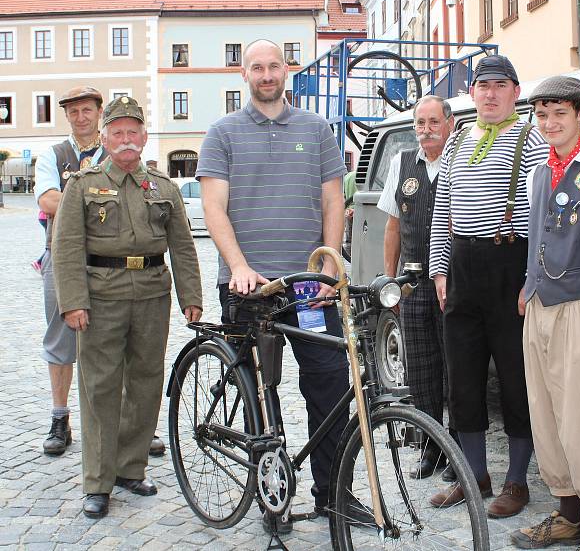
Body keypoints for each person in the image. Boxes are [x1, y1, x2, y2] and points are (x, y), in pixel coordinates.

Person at [197, 39, 354, 532]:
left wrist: (328, 267)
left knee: (330, 385)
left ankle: (334, 495)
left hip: (309, 286)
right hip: (249, 287)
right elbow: (214, 208)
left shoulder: (317, 129)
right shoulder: (222, 133)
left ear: (287, 70)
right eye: (256, 68)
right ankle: (273, 497)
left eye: (274, 66)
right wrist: (238, 266)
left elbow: (333, 203)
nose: (266, 74)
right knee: (259, 391)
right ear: (244, 75)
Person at [51, 96, 202, 519]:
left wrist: (192, 296)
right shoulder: (83, 185)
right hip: (100, 299)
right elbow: (66, 250)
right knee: (99, 387)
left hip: (153, 296)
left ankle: (130, 468)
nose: (126, 140)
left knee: (145, 382)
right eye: (117, 132)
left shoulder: (163, 187)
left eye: (133, 132)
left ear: (144, 137)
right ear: (104, 137)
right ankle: (97, 481)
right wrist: (73, 303)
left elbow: (183, 249)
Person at [428, 55, 549, 518]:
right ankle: (473, 475)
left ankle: (517, 481)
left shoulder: (532, 139)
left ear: (516, 92)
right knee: (462, 377)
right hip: (463, 268)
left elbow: (542, 218)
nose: (491, 93)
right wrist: (440, 272)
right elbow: (444, 210)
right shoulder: (457, 141)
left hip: (509, 267)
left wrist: (531, 279)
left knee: (517, 380)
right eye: (484, 86)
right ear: (472, 93)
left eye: (501, 85)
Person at [509, 77, 580, 551]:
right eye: (541, 114)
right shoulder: (538, 173)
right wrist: (527, 285)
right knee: (547, 412)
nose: (549, 123)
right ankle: (566, 513)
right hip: (540, 306)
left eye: (559, 113)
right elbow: (537, 236)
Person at [378, 95, 456, 480]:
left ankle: (457, 447)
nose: (426, 130)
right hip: (411, 283)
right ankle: (430, 447)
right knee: (421, 369)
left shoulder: (461, 160)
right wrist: (389, 281)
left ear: (450, 122)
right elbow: (392, 227)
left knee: (456, 368)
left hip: (452, 283)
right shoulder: (401, 162)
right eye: (420, 123)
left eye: (433, 122)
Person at [33, 86, 107, 456]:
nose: (81, 117)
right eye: (74, 111)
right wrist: (101, 199)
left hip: (109, 258)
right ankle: (60, 419)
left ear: (99, 112)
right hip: (60, 254)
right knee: (60, 338)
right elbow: (47, 199)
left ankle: (124, 422)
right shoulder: (53, 154)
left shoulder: (114, 151)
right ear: (67, 116)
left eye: (87, 110)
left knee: (115, 338)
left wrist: (74, 200)